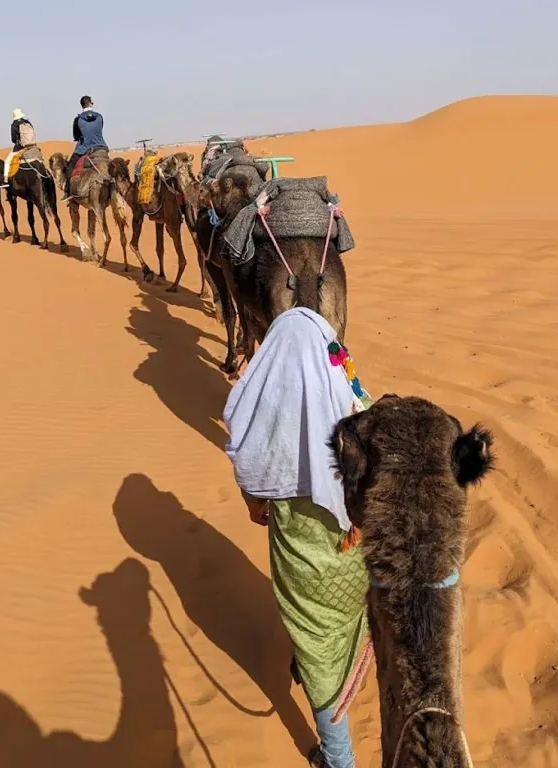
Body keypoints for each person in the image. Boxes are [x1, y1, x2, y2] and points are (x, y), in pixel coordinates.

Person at [223, 307, 372, 768]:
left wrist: (258, 504)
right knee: (346, 629)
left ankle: (339, 759)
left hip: (305, 568)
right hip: (356, 560)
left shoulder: (266, 415)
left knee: (318, 649)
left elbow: (249, 469)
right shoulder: (355, 407)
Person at [62, 95, 108, 200]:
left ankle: (68, 192)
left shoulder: (78, 120)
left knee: (70, 167)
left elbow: (76, 136)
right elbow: (100, 128)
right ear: (91, 103)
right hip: (101, 146)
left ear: (81, 105)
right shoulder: (100, 116)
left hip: (84, 148)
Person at [0, 108, 37, 187]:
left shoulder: (14, 125)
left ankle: (6, 180)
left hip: (20, 147)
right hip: (32, 146)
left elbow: (13, 140)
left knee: (7, 161)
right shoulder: (27, 122)